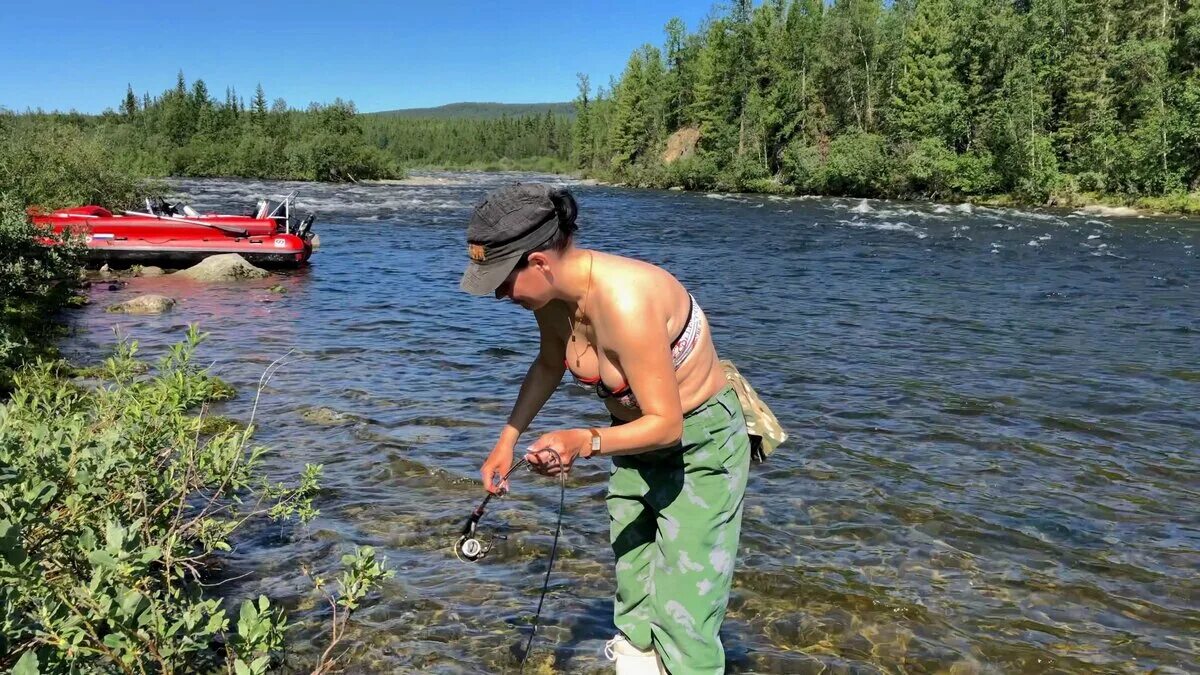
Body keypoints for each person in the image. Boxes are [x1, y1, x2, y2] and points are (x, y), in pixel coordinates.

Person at [461, 182, 751, 675]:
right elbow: (551, 361)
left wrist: (584, 441)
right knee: (634, 592)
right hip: (633, 448)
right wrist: (506, 440)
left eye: (501, 282)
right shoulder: (551, 299)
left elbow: (667, 425)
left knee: (685, 612)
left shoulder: (627, 301)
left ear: (538, 263)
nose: (498, 295)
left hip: (699, 447)